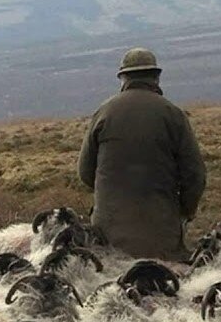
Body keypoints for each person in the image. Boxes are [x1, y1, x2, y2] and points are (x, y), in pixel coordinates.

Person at [78, 48, 207, 262]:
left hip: (108, 238)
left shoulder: (104, 112)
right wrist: (184, 212)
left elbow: (84, 173)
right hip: (162, 238)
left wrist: (111, 194)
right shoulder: (173, 114)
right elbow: (195, 176)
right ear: (156, 77)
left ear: (123, 78)